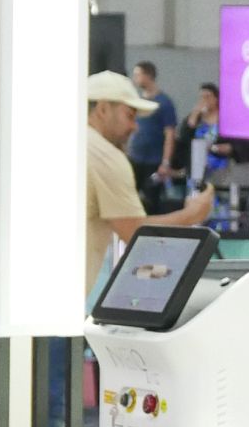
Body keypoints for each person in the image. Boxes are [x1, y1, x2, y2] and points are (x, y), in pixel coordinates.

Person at [84, 72, 210, 295]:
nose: (135, 127)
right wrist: (193, 214)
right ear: (102, 109)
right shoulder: (104, 156)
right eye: (129, 115)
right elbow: (135, 233)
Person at [128, 60, 179, 210]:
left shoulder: (164, 103)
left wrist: (165, 162)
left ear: (148, 76)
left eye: (138, 75)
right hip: (135, 157)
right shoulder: (137, 102)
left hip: (153, 160)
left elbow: (170, 134)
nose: (135, 78)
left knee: (151, 201)